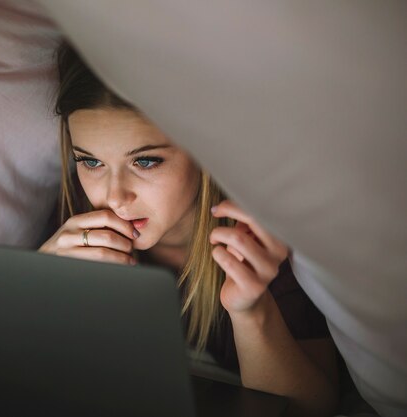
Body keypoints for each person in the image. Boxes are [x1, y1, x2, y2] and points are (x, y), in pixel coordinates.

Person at [39, 42, 340, 417]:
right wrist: (36, 290)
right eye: (91, 161)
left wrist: (250, 311)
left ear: (204, 152)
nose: (113, 195)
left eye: (145, 161)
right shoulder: (79, 221)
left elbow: (311, 409)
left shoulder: (256, 240)